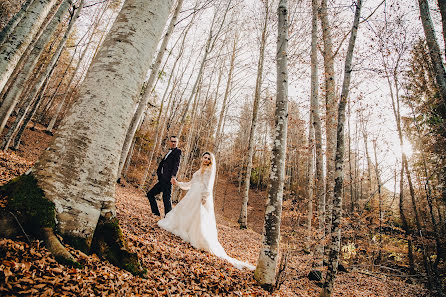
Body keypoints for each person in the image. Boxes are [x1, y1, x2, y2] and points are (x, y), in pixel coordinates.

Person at [158, 152, 255, 270]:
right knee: (186, 214)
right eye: (205, 157)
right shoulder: (200, 170)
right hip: (192, 194)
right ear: (202, 158)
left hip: (199, 196)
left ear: (211, 161)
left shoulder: (209, 171)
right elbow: (190, 184)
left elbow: (208, 186)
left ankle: (198, 236)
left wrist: (204, 198)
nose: (206, 160)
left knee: (197, 218)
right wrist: (178, 183)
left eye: (209, 158)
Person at [147, 136, 181, 216]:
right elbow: (162, 164)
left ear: (177, 143)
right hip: (162, 179)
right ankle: (156, 213)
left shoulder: (178, 152)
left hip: (168, 180)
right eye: (172, 141)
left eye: (175, 142)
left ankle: (169, 218)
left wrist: (173, 176)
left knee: (166, 199)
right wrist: (159, 174)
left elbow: (176, 165)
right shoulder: (168, 152)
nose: (173, 143)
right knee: (150, 194)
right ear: (169, 142)